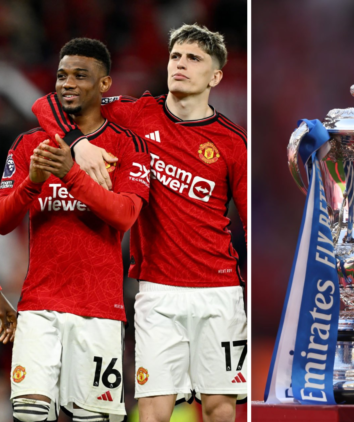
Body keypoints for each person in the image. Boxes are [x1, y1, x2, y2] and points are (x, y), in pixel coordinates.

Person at [31, 24, 247, 422]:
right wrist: (78, 143)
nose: (181, 64)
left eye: (194, 58)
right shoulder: (134, 113)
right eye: (175, 56)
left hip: (220, 291)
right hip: (156, 291)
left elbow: (253, 224)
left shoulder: (232, 142)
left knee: (219, 408)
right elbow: (47, 104)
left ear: (216, 76)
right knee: (151, 407)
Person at [2, 38, 150, 422]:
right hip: (38, 306)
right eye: (61, 75)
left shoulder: (127, 146)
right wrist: (32, 183)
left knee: (95, 419)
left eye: (80, 75)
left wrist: (70, 173)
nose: (67, 83)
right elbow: (2, 221)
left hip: (100, 309)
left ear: (105, 84)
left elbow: (125, 216)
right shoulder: (30, 144)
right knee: (31, 415)